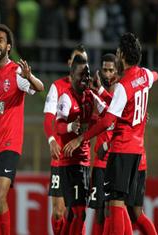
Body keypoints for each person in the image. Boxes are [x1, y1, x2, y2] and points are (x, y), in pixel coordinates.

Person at [64, 32, 158, 235]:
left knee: (114, 205)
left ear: (123, 55)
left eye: (117, 53)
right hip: (138, 152)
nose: (116, 56)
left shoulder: (124, 87)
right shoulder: (145, 76)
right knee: (125, 207)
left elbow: (108, 120)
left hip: (122, 150)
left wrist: (82, 137)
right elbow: (155, 75)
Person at [0, 24, 44, 235]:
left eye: (0, 40)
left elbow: (39, 87)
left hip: (10, 143)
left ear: (8, 46)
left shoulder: (16, 71)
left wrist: (29, 77)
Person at [55, 54, 106, 235]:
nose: (84, 78)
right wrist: (70, 126)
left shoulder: (90, 96)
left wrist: (99, 90)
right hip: (69, 164)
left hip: (84, 163)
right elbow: (58, 126)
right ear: (71, 75)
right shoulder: (66, 98)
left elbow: (109, 113)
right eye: (80, 74)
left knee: (73, 214)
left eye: (87, 74)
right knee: (79, 213)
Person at [43, 44, 88, 235]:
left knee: (77, 210)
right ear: (70, 63)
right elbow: (48, 118)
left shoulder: (89, 89)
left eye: (84, 61)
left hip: (79, 159)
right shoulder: (57, 87)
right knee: (59, 211)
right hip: (60, 158)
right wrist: (52, 139)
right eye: (77, 59)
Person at [88, 53, 118, 235]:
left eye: (111, 70)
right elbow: (92, 122)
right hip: (100, 161)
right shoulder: (95, 95)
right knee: (99, 210)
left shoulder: (122, 93)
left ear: (117, 71)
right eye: (104, 70)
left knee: (113, 210)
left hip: (116, 159)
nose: (107, 74)